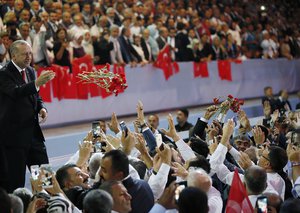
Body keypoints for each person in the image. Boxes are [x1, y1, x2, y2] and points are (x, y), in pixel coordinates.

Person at [0, 40, 55, 193]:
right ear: (14, 55)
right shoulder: (4, 74)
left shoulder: (30, 71)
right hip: (14, 138)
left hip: (34, 135)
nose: (29, 57)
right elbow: (16, 92)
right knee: (16, 182)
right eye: (25, 54)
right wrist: (37, 83)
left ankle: (49, 202)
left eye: (30, 53)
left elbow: (35, 96)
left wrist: (41, 108)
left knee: (45, 177)